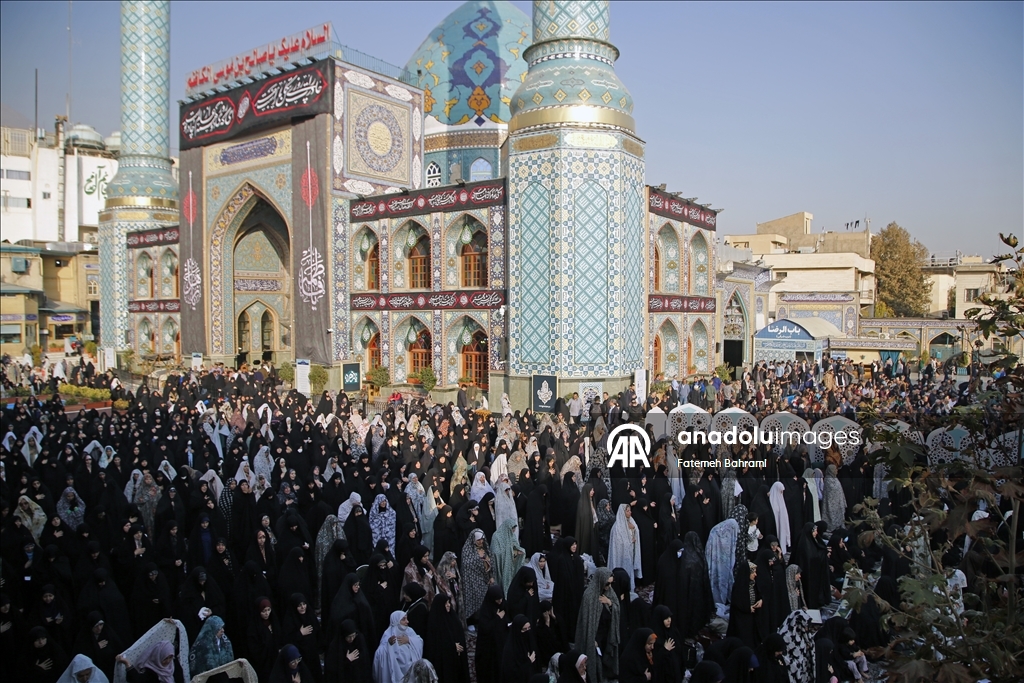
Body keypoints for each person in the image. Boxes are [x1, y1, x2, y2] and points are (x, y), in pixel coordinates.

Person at [574, 567, 619, 682]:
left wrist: (610, 603)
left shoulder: (609, 592)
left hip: (606, 634)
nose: (609, 587)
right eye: (607, 584)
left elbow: (617, 607)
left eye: (611, 583)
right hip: (595, 636)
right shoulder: (589, 596)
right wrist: (592, 638)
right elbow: (586, 622)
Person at [373, 611, 423, 683]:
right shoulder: (388, 633)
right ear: (396, 621)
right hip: (397, 668)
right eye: (403, 619)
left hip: (411, 669)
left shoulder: (409, 631)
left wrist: (409, 640)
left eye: (407, 619)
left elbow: (419, 641)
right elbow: (379, 653)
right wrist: (389, 645)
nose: (407, 621)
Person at [501, 614, 539, 683]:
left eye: (529, 628)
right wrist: (528, 662)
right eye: (524, 629)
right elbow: (511, 673)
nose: (527, 631)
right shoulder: (510, 649)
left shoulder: (530, 642)